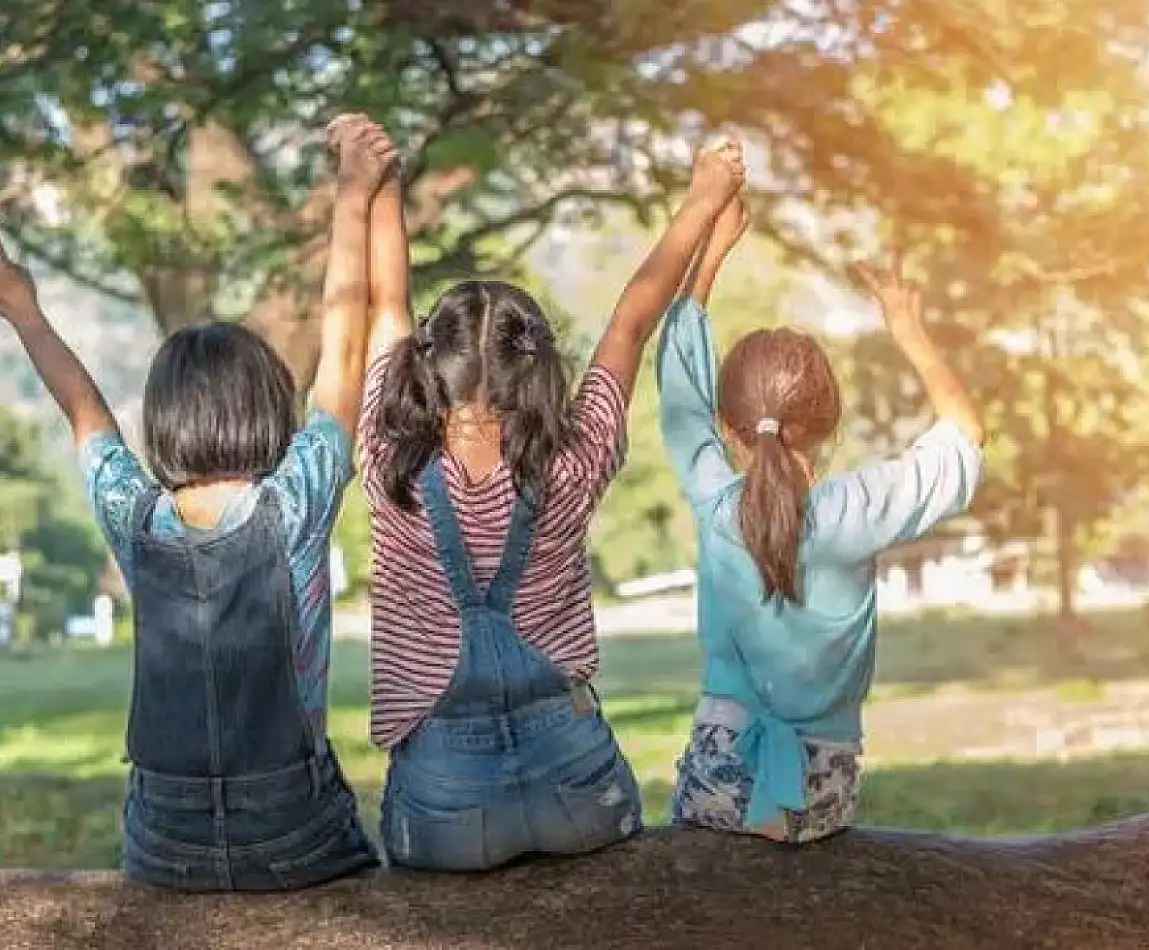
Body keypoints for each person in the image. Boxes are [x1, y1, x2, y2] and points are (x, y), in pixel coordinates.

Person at [0, 113, 395, 890]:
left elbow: (85, 411)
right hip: (295, 835)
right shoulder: (299, 501)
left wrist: (24, 311)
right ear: (267, 411)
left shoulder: (135, 518)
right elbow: (346, 342)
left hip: (165, 844)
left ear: (167, 423)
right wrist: (354, 193)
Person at [359, 135, 748, 871]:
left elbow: (385, 301)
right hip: (579, 788)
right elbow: (632, 319)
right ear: (537, 367)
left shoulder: (389, 464)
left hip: (446, 810)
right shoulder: (576, 458)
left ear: (428, 362)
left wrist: (380, 184)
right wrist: (704, 200)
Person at [659, 197, 987, 843]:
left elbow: (679, 393)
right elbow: (966, 436)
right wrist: (908, 331)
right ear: (829, 427)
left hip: (719, 777)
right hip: (823, 790)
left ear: (729, 430)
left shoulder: (715, 502)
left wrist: (710, 256)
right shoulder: (858, 511)